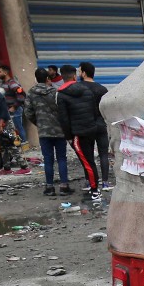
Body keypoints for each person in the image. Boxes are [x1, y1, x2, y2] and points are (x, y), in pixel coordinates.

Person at [57, 62, 109, 200]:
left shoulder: (61, 95)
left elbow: (64, 119)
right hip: (91, 128)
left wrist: (68, 136)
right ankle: (99, 185)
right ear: (74, 75)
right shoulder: (86, 90)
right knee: (94, 158)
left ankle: (94, 190)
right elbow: (93, 110)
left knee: (87, 161)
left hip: (78, 133)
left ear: (62, 77)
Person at [24, 67, 71, 196]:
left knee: (48, 159)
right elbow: (63, 110)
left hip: (44, 132)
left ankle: (49, 187)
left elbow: (28, 112)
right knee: (62, 158)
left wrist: (39, 123)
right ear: (47, 79)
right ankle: (64, 186)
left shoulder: (31, 93)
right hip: (59, 130)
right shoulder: (55, 92)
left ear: (36, 79)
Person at [0, 64, 26, 141]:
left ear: (5, 73)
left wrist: (14, 107)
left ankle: (24, 146)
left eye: (0, 71)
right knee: (13, 129)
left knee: (18, 128)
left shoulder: (12, 83)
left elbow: (22, 95)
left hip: (15, 111)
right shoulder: (3, 84)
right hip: (8, 111)